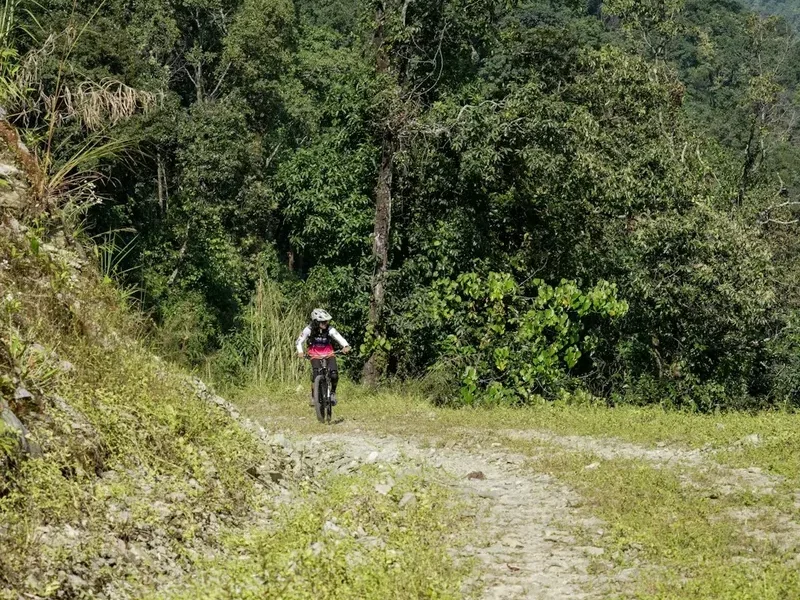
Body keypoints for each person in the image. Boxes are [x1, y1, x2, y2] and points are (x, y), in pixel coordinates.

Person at [295, 309, 351, 406]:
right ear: (316, 322)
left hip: (329, 353)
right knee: (316, 374)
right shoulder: (308, 329)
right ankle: (314, 396)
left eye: (326, 321)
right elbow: (299, 341)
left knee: (334, 374)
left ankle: (333, 393)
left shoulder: (330, 329)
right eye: (323, 322)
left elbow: (339, 337)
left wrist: (345, 346)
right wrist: (300, 352)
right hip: (314, 354)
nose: (326, 323)